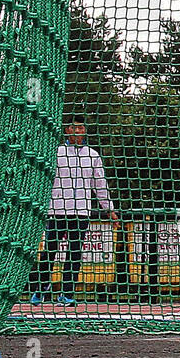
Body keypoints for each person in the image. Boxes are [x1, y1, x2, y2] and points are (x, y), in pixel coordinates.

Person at [30, 117, 120, 305]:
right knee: (49, 251)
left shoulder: (92, 155)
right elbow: (42, 180)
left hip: (81, 212)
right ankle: (41, 290)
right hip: (56, 210)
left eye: (81, 127)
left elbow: (100, 185)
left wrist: (109, 210)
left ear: (85, 130)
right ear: (67, 130)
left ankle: (67, 293)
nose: (77, 131)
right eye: (74, 127)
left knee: (74, 253)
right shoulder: (56, 153)